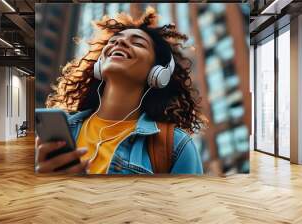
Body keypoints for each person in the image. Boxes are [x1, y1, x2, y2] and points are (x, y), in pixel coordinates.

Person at [36, 7, 205, 174]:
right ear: (99, 65)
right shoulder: (56, 129)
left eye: (138, 43)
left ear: (158, 73)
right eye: (113, 41)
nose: (120, 42)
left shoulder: (177, 146)